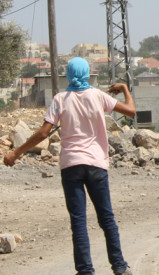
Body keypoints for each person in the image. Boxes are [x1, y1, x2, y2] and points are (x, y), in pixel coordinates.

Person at [3, 57, 136, 275]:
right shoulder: (98, 96)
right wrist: (124, 89)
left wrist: (16, 152)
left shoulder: (60, 99)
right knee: (107, 218)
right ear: (87, 74)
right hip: (96, 165)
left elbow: (44, 132)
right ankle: (120, 267)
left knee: (79, 221)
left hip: (71, 166)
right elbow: (131, 111)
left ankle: (85, 270)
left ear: (69, 75)